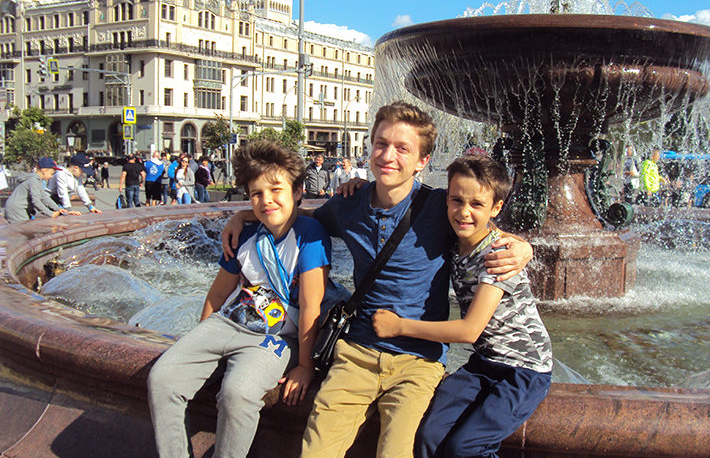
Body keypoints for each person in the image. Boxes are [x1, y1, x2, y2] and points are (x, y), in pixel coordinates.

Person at [222, 101, 533, 457]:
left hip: (418, 362)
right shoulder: (347, 204)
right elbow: (293, 217)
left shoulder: (439, 207)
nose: (388, 155)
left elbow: (480, 226)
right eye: (381, 144)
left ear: (422, 161)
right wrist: (244, 214)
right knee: (316, 450)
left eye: (402, 148)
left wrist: (524, 248)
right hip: (356, 354)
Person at [147, 140, 332, 458]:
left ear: (298, 191)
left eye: (276, 190)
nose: (266, 201)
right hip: (228, 323)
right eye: (256, 194)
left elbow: (311, 307)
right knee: (162, 378)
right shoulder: (245, 235)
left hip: (276, 337)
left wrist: (304, 366)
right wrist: (201, 339)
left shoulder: (310, 235)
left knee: (238, 392)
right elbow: (218, 294)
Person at [372, 154, 552, 458]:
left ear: (496, 208)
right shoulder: (456, 241)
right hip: (485, 364)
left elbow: (469, 330)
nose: (464, 212)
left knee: (466, 446)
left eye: (477, 205)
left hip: (524, 370)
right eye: (456, 200)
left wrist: (399, 326)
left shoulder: (498, 256)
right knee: (429, 435)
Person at [4, 157, 69, 223]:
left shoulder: (38, 181)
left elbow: (44, 197)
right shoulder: (34, 181)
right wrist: (50, 213)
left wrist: (58, 209)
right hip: (16, 209)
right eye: (51, 174)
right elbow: (36, 201)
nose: (51, 177)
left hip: (18, 208)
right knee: (22, 229)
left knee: (25, 228)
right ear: (44, 171)